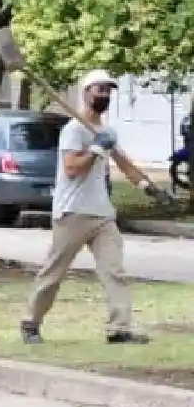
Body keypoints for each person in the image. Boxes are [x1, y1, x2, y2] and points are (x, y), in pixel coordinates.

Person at [21, 69, 174, 346]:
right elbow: (70, 169)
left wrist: (150, 188)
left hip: (102, 214)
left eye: (107, 91)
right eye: (99, 90)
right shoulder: (74, 130)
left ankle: (119, 329)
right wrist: (94, 150)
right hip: (73, 213)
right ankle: (31, 322)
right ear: (86, 92)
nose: (104, 95)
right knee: (54, 271)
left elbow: (125, 164)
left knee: (114, 271)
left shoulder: (107, 131)